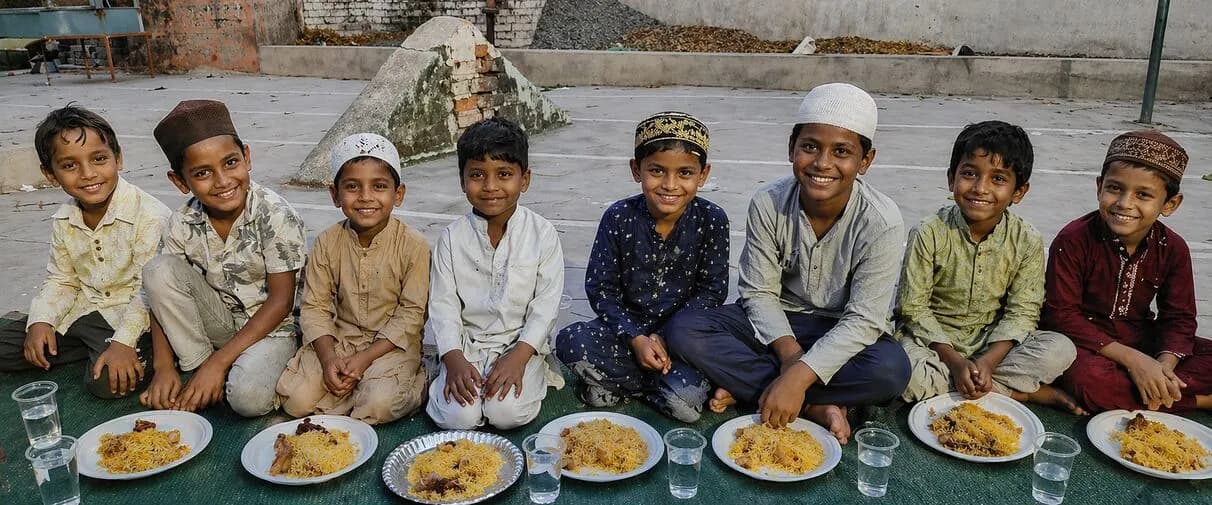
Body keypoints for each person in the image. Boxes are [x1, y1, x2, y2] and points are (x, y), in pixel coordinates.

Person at [664, 83, 910, 444]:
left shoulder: (882, 220)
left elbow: (864, 319)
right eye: (810, 147)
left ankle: (763, 390)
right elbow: (758, 292)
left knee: (891, 370)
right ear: (791, 148)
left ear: (865, 161)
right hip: (778, 326)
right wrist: (792, 360)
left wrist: (799, 376)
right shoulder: (768, 202)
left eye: (841, 151)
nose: (822, 163)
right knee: (685, 330)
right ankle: (814, 405)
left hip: (841, 329)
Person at [895, 120, 1081, 414]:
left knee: (1060, 349)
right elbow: (912, 307)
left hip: (992, 348)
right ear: (951, 179)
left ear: (1018, 192)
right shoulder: (928, 232)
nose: (980, 188)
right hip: (933, 347)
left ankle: (978, 384)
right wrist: (955, 362)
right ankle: (1011, 392)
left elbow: (1023, 311)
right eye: (969, 174)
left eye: (998, 179)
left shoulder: (1027, 239)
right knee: (900, 371)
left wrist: (987, 362)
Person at [555, 112, 729, 423]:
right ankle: (654, 390)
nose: (670, 185)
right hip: (624, 335)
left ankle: (618, 386)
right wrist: (636, 338)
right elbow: (600, 288)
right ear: (637, 170)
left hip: (680, 342)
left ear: (703, 175)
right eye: (657, 171)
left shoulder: (712, 220)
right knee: (571, 341)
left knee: (686, 406)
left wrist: (663, 337)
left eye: (685, 173)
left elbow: (712, 291)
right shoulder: (619, 217)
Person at [139, 100, 305, 416]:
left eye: (230, 163)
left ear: (247, 157)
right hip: (222, 323)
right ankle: (199, 369)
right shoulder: (182, 221)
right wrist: (163, 367)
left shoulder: (276, 214)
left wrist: (220, 361)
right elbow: (158, 297)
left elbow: (281, 303)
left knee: (247, 399)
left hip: (275, 329)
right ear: (179, 181)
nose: (222, 181)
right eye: (202, 173)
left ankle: (219, 372)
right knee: (157, 270)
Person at [0, 105, 169, 399]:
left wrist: (124, 343)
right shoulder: (65, 219)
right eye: (69, 166)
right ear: (50, 174)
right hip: (83, 310)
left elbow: (150, 293)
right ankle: (88, 347)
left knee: (107, 383)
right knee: (7, 345)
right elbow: (62, 279)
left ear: (118, 158)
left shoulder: (150, 215)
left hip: (132, 316)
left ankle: (111, 350)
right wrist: (41, 321)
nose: (88, 174)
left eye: (99, 159)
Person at [1044, 130, 1212, 413]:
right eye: (1114, 188)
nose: (1124, 203)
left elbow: (1180, 318)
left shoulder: (1173, 248)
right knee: (1091, 382)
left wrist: (1162, 367)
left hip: (1141, 337)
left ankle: (1156, 392)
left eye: (1143, 195)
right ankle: (1200, 402)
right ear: (1099, 187)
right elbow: (1062, 315)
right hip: (1085, 345)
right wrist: (1134, 361)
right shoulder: (1073, 239)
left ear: (1170, 204)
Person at [276, 133, 429, 425]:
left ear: (399, 194)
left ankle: (417, 383)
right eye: (352, 187)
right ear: (335, 195)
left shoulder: (414, 245)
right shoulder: (326, 242)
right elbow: (315, 307)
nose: (366, 197)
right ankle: (351, 385)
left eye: (379, 186)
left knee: (377, 406)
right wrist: (328, 358)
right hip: (340, 342)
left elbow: (411, 314)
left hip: (390, 346)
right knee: (295, 401)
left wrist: (364, 359)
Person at [425, 118, 565, 430]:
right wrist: (454, 358)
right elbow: (443, 306)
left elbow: (545, 306)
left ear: (524, 179)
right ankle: (443, 377)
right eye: (477, 175)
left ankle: (534, 372)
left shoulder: (542, 234)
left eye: (504, 175)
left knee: (506, 413)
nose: (490, 187)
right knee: (459, 417)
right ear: (462, 181)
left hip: (520, 345)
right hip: (467, 347)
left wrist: (520, 356)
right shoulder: (451, 237)